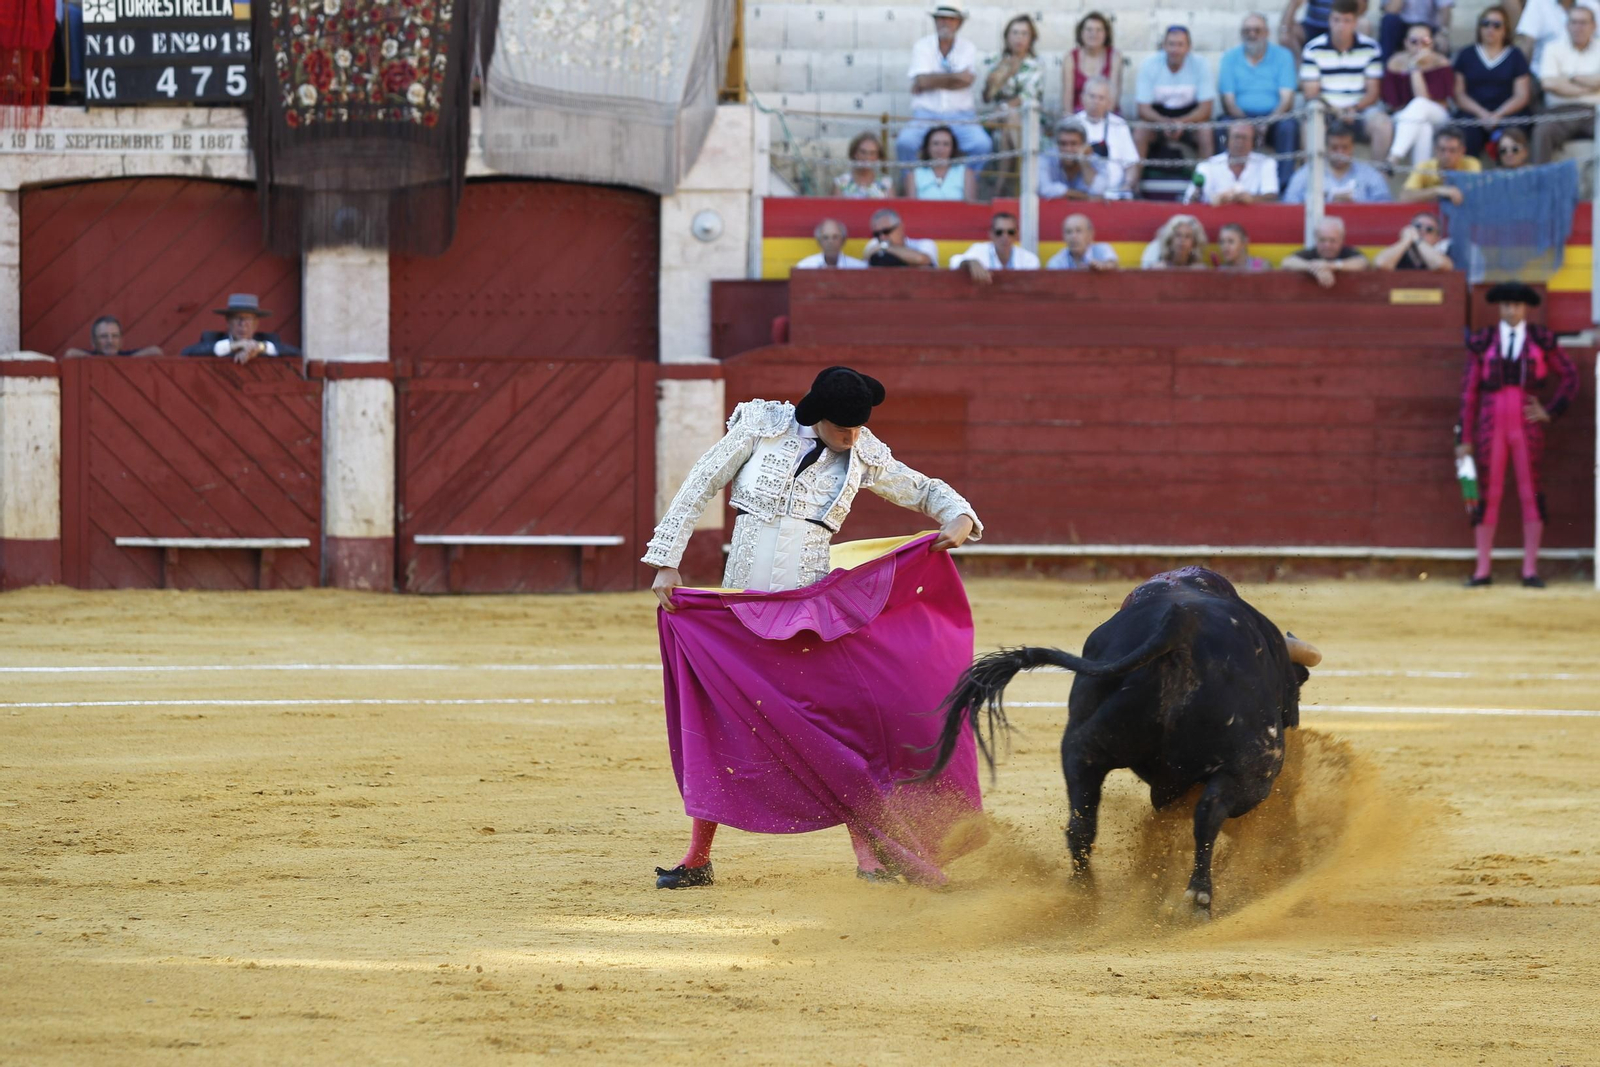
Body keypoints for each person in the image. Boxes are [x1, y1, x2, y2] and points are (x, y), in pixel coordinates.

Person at [643, 366, 983, 887]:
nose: (852, 439)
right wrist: (667, 558)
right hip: (741, 607)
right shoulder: (762, 426)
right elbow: (700, 483)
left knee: (837, 727)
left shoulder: (863, 452)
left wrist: (957, 514)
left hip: (810, 610)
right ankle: (697, 857)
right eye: (843, 429)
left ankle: (869, 858)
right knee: (721, 722)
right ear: (817, 417)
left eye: (857, 430)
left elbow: (922, 489)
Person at [1457, 283, 1579, 587]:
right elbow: (1469, 393)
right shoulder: (1483, 342)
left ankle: (1529, 570)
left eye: (1517, 305)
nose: (1511, 310)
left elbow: (1571, 376)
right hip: (1490, 423)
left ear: (1526, 307)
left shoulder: (1541, 340)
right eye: (1506, 305)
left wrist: (1551, 410)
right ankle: (1483, 570)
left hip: (1527, 422)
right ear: (1500, 308)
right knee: (1488, 491)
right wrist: (1464, 437)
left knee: (1530, 491)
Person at [896, 1, 993, 164]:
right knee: (905, 144)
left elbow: (965, 81)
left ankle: (968, 186)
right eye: (941, 18)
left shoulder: (968, 47)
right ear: (935, 21)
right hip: (925, 115)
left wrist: (930, 81)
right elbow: (922, 80)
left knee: (981, 145)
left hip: (961, 116)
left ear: (959, 23)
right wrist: (955, 78)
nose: (945, 22)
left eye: (951, 19)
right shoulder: (922, 45)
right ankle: (912, 186)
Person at [1218, 13, 1303, 188]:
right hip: (1240, 117)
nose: (1252, 34)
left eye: (1257, 30)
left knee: (1289, 126)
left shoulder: (1283, 56)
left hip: (1274, 117)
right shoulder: (1229, 57)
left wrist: (1267, 122)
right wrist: (1248, 124)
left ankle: (1283, 186)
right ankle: (1223, 183)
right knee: (1220, 127)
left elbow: (1286, 99)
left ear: (1266, 33)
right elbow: (1229, 102)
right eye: (1247, 30)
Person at [1301, 0, 1394, 158]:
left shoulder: (1371, 48)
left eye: (1346, 20)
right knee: (1311, 119)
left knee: (1383, 124)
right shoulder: (1313, 48)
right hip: (1326, 110)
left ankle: (1379, 177)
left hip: (1360, 111)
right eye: (1336, 20)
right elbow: (1311, 93)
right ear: (1329, 20)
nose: (1341, 26)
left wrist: (1353, 109)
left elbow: (1373, 92)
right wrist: (1335, 110)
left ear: (1355, 22)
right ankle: (1312, 176)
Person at [1453, 6, 1532, 158]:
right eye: (1486, 24)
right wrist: (1481, 113)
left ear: (1505, 30)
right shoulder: (1466, 54)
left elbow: (1522, 95)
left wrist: (1497, 115)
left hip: (1508, 114)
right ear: (1479, 27)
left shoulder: (1515, 55)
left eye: (1497, 25)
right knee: (1466, 134)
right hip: (1473, 113)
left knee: (1511, 138)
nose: (1491, 29)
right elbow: (1459, 94)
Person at [981, 14, 1044, 197]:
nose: (1019, 38)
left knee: (1011, 119)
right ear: (1007, 36)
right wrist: (999, 77)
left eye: (1024, 34)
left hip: (1027, 117)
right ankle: (1027, 181)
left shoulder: (1036, 65)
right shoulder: (996, 60)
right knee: (1009, 121)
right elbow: (986, 97)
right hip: (996, 118)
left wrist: (1004, 108)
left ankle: (1000, 186)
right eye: (1015, 33)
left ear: (1031, 38)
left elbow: (1028, 96)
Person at [1134, 25, 1217, 161]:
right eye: (1171, 44)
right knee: (1140, 130)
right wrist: (1164, 122)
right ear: (1164, 46)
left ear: (1188, 47)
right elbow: (1143, 109)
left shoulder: (1201, 65)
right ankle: (1132, 180)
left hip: (1191, 119)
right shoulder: (1149, 65)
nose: (1175, 50)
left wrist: (1182, 122)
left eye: (1180, 45)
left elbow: (1206, 109)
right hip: (1157, 118)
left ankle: (1206, 179)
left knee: (1205, 130)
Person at [1532, 6, 1600, 162]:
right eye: (1574, 22)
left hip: (1595, 112)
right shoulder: (1553, 48)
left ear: (1593, 26)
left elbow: (1556, 83)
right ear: (1567, 25)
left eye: (1583, 23)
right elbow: (1548, 83)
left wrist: (1569, 78)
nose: (1578, 28)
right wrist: (1592, 85)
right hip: (1559, 113)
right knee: (1542, 132)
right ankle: (1541, 184)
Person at [1384, 23, 1456, 168]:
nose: (1419, 46)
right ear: (1405, 43)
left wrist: (1415, 68)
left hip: (1438, 115)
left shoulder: (1441, 62)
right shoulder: (1395, 62)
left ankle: (1394, 156)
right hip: (1405, 117)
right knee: (1424, 127)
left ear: (1431, 43)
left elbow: (1426, 99)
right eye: (1414, 41)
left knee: (1420, 104)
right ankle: (1420, 177)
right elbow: (1393, 104)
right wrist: (1413, 64)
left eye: (1425, 41)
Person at [1283, 120, 1394, 202]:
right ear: (1326, 148)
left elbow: (1385, 203)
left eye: (1345, 147)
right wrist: (1323, 199)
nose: (1340, 153)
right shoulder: (1307, 172)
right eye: (1335, 148)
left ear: (1352, 148)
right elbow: (1289, 202)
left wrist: (1356, 204)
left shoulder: (1368, 173)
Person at [180, 294, 300, 363]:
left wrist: (260, 347)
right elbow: (186, 353)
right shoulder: (211, 338)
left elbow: (297, 353)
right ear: (228, 322)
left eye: (248, 319)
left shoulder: (268, 339)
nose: (242, 324)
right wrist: (233, 346)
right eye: (237, 318)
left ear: (256, 324)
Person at [1074, 75, 1142, 195]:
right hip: (1081, 194)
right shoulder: (1073, 123)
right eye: (1092, 96)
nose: (1096, 102)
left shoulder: (1119, 125)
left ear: (1109, 103)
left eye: (1101, 98)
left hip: (1115, 194)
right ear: (1082, 98)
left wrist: (1127, 186)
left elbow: (1131, 163)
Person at [1196, 123, 1282, 203]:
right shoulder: (1207, 165)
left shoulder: (1266, 163)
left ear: (1254, 143)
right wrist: (1216, 199)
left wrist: (1252, 199)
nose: (1240, 143)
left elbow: (1272, 197)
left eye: (1244, 138)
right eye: (1236, 137)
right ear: (1226, 140)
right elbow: (1192, 201)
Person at [950, 211, 1041, 283]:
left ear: (1017, 235)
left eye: (1010, 232)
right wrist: (969, 262)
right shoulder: (979, 250)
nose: (1005, 237)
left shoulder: (1028, 259)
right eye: (999, 232)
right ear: (991, 234)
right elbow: (954, 262)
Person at [1063, 11, 1123, 116]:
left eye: (1099, 30)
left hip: (1107, 115)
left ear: (1106, 33)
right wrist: (1070, 124)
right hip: (1078, 117)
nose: (1093, 34)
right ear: (1081, 32)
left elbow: (1113, 98)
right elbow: (1067, 98)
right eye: (1089, 29)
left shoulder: (1114, 57)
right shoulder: (1070, 58)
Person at [1282, 216, 1370, 286]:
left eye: (1332, 240)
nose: (1327, 245)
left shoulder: (1348, 252)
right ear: (1316, 239)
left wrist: (1330, 266)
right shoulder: (1310, 253)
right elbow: (1287, 261)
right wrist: (1314, 268)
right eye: (1322, 240)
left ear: (1342, 239)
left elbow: (1362, 262)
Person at [1400, 126, 1480, 201]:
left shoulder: (1471, 164)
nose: (1447, 155)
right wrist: (1437, 190)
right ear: (1435, 150)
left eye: (1452, 150)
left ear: (1462, 151)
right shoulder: (1424, 167)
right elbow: (1404, 197)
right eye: (1442, 150)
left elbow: (1475, 193)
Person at [1038, 120, 1111, 199]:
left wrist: (1084, 162)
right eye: (1063, 144)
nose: (1068, 149)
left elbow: (1098, 191)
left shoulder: (1095, 160)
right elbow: (1045, 189)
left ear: (1084, 145)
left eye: (1073, 144)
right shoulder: (1046, 158)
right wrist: (1084, 197)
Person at [1515, 0, 1600, 67]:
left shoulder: (1592, 5)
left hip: (1587, 70)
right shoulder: (1538, 2)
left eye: (1582, 22)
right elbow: (1527, 41)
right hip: (1544, 73)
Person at [905, 125, 975, 201]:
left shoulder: (966, 174)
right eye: (935, 143)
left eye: (946, 144)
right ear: (927, 147)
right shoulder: (913, 175)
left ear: (952, 148)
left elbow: (971, 209)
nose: (940, 149)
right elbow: (911, 208)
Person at [1373, 211, 1457, 268]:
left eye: (1429, 229)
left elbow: (1441, 265)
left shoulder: (1443, 252)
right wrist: (1405, 240)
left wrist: (1418, 241)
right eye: (1417, 226)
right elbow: (1381, 264)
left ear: (1437, 238)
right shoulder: (1399, 252)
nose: (1422, 231)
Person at [863, 209, 940, 268]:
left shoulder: (924, 244)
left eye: (886, 231)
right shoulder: (874, 243)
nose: (882, 236)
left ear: (900, 227)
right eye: (877, 234)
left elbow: (923, 259)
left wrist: (885, 247)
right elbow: (867, 257)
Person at [1380, 0, 1453, 59]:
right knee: (1389, 20)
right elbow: (1391, 10)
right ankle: (1386, 68)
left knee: (1442, 39)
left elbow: (1445, 8)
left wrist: (1442, 32)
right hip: (1402, 26)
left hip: (1428, 25)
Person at [62, 315, 162, 358]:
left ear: (121, 341)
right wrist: (98, 362)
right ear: (93, 341)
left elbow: (155, 351)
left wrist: (122, 363)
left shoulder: (126, 356)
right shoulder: (90, 356)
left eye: (115, 336)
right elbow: (70, 353)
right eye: (104, 336)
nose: (110, 341)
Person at [1046, 213, 1119, 270]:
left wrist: (1102, 266)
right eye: (1068, 232)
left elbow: (1113, 263)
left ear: (1090, 234)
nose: (1073, 236)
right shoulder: (1057, 261)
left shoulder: (1102, 249)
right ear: (1063, 237)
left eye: (1078, 231)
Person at [833, 132, 894, 198]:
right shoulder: (841, 183)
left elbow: (892, 207)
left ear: (878, 156)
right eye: (863, 152)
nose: (867, 157)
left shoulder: (886, 183)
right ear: (855, 153)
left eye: (872, 153)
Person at [1141, 214, 1209, 269]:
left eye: (1187, 236)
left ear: (1194, 243)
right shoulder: (1158, 268)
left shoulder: (1200, 271)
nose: (1182, 240)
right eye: (1178, 235)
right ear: (1170, 240)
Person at [795, 219, 866, 270]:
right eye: (825, 238)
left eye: (835, 237)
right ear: (819, 242)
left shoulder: (858, 267)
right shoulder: (805, 267)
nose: (830, 241)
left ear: (843, 240)